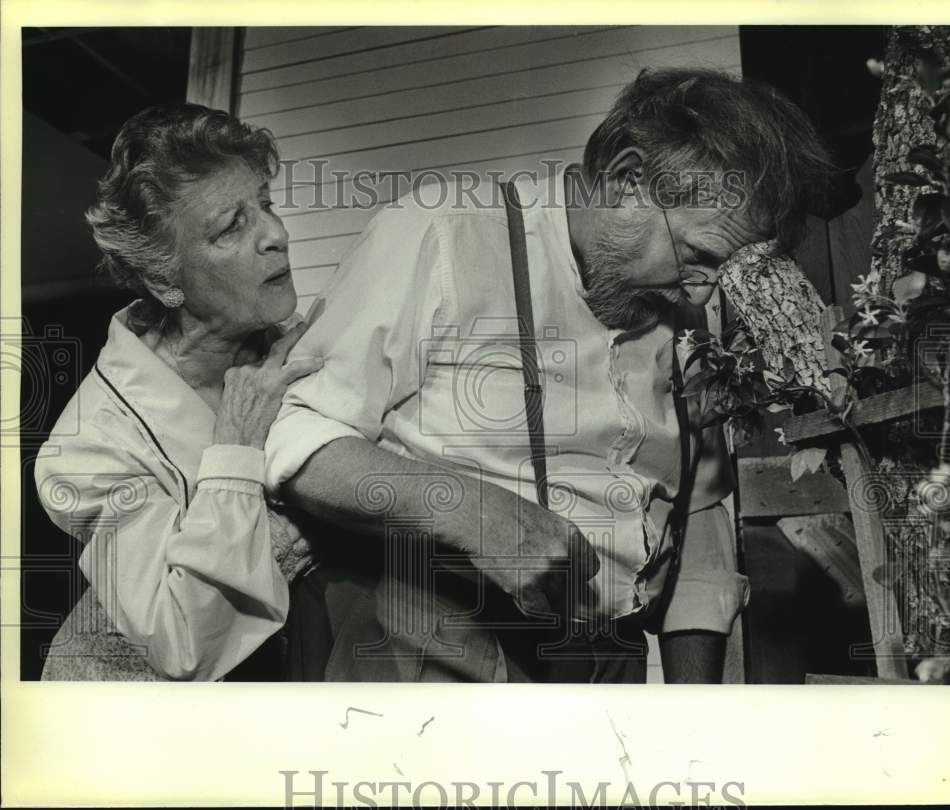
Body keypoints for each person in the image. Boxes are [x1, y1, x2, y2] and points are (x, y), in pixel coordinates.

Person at [267, 68, 833, 683]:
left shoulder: (693, 300)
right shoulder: (443, 231)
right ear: (627, 181)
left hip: (609, 657)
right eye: (697, 256)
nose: (704, 291)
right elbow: (294, 435)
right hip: (426, 634)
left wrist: (690, 709)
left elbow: (696, 511)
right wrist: (472, 513)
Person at [34, 103, 323, 681]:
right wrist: (236, 445)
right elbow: (184, 641)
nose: (276, 235)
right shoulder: (87, 450)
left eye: (265, 204)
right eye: (231, 226)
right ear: (164, 277)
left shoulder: (299, 345)